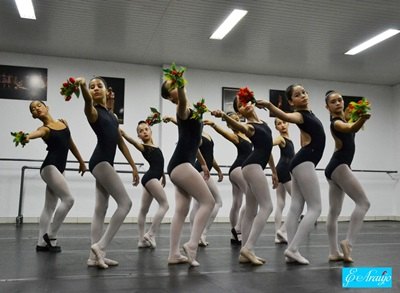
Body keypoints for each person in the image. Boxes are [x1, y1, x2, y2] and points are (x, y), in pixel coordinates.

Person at [76, 77, 140, 269]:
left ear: (106, 91)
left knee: (100, 209)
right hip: (101, 162)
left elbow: (120, 142)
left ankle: (93, 257)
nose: (95, 89)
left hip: (104, 162)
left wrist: (133, 165)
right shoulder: (93, 112)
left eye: (99, 86)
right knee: (126, 203)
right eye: (92, 86)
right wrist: (81, 85)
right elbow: (87, 101)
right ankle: (100, 247)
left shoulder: (111, 116)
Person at [261, 84, 326, 265]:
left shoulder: (309, 115)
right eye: (297, 95)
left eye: (304, 92)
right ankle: (293, 248)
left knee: (296, 205)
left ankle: (291, 248)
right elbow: (285, 116)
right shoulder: (300, 115)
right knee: (315, 208)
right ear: (291, 101)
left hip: (299, 161)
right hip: (304, 162)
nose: (303, 96)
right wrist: (269, 105)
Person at [212, 95, 278, 266]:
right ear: (239, 112)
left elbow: (268, 148)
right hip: (252, 166)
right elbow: (238, 126)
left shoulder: (263, 123)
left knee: (250, 211)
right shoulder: (249, 126)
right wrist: (224, 117)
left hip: (253, 166)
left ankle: (245, 252)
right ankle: (248, 248)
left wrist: (274, 171)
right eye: (240, 106)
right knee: (267, 207)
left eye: (245, 102)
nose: (244, 105)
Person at [161, 79, 215, 267]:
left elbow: (195, 142)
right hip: (181, 164)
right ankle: (192, 244)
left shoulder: (193, 112)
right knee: (209, 202)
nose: (177, 87)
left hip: (181, 164)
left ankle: (173, 254)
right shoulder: (182, 109)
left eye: (177, 85)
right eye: (172, 88)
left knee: (182, 210)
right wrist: (181, 86)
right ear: (170, 97)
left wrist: (203, 164)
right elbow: (182, 101)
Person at [24, 101, 87, 252]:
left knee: (49, 206)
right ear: (33, 116)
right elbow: (35, 134)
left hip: (59, 169)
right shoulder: (44, 129)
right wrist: (26, 137)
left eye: (38, 105)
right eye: (33, 109)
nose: (36, 109)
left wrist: (81, 161)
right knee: (69, 200)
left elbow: (70, 144)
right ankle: (51, 236)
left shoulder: (63, 123)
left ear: (47, 107)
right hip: (49, 167)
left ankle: (41, 243)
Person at [324, 90, 371, 263]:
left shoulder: (344, 118)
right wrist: (363, 118)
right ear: (327, 107)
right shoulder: (336, 123)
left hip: (335, 167)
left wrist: (358, 113)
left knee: (334, 212)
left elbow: (351, 122)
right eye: (333, 101)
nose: (338, 103)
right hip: (339, 166)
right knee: (364, 203)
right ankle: (348, 244)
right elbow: (351, 127)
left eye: (340, 100)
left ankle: (333, 252)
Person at [203, 113, 252, 245]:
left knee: (237, 203)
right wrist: (214, 125)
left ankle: (235, 233)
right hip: (238, 169)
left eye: (237, 119)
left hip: (236, 171)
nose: (236, 122)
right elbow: (223, 133)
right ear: (230, 125)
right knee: (251, 197)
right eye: (232, 121)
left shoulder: (246, 134)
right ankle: (238, 229)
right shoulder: (235, 136)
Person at [121, 121, 169, 249]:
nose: (144, 132)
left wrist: (163, 175)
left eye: (146, 129)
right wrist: (125, 135)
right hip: (151, 178)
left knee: (143, 210)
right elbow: (133, 143)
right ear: (139, 136)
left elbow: (158, 164)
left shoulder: (155, 147)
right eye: (141, 131)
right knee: (165, 205)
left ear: (151, 131)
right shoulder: (144, 147)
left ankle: (141, 240)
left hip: (152, 177)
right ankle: (151, 234)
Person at [272, 117, 295, 244]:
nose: (282, 125)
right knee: (297, 201)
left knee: (280, 203)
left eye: (284, 122)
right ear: (276, 127)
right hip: (284, 169)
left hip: (281, 168)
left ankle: (278, 235)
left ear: (288, 123)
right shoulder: (281, 138)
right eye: (279, 124)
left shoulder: (289, 139)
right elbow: (269, 144)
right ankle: (282, 231)